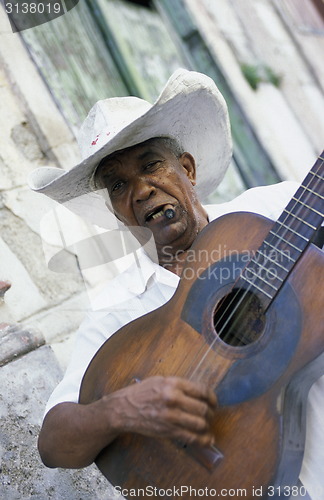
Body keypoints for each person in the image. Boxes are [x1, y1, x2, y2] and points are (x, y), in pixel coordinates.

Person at [28, 69, 323, 498]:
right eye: (118, 184)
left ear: (186, 168)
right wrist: (120, 409)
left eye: (151, 166)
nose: (142, 190)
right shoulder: (118, 308)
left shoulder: (273, 209)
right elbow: (53, 443)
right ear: (116, 210)